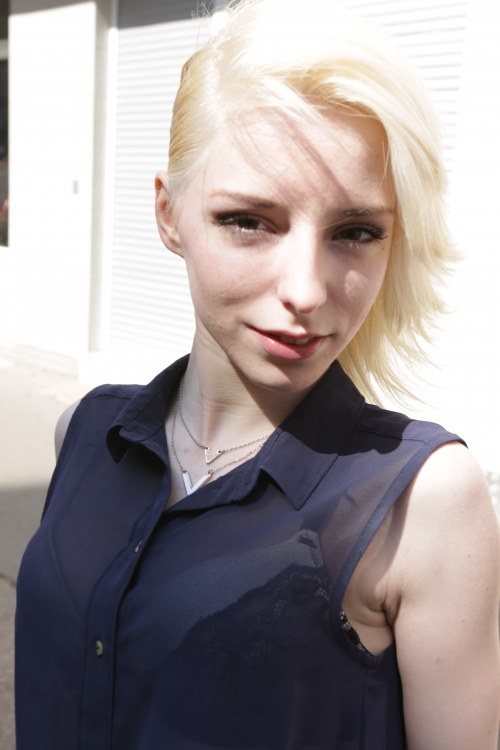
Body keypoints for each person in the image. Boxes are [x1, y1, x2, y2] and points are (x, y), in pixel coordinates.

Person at [15, 1, 500, 748]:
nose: (305, 290)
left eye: (356, 231)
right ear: (169, 214)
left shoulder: (422, 500)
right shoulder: (84, 434)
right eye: (249, 220)